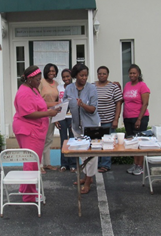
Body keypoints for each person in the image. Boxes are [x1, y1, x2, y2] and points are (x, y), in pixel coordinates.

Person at [12, 65, 59, 202]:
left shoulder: (33, 89)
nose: (40, 82)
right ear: (30, 79)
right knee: (31, 162)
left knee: (32, 161)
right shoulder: (24, 92)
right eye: (38, 79)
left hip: (35, 130)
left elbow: (41, 103)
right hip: (28, 130)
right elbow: (27, 114)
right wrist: (48, 113)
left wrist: (54, 104)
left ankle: (25, 189)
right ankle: (29, 195)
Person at [63, 63, 101, 194]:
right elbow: (64, 105)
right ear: (75, 75)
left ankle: (89, 180)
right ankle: (86, 177)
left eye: (86, 75)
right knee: (83, 154)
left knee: (92, 155)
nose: (84, 78)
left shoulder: (92, 88)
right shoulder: (69, 88)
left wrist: (83, 105)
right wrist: (57, 117)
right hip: (76, 127)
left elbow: (93, 109)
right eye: (81, 75)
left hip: (92, 126)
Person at [123, 64, 150, 175]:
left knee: (139, 142)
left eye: (134, 73)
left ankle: (140, 166)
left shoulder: (142, 86)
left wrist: (139, 119)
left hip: (140, 118)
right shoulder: (127, 85)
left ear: (138, 74)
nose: (132, 75)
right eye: (130, 73)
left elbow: (145, 104)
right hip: (128, 117)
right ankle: (135, 164)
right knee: (132, 142)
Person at [96, 66, 123, 173]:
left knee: (107, 143)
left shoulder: (113, 87)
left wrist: (116, 119)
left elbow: (119, 103)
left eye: (104, 73)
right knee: (96, 143)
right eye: (100, 73)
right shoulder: (92, 86)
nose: (102, 75)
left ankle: (105, 165)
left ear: (108, 75)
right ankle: (96, 164)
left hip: (109, 120)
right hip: (96, 121)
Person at [39, 63, 59, 173]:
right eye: (50, 71)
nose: (52, 73)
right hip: (42, 114)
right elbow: (37, 100)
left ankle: (47, 163)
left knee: (49, 139)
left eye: (54, 71)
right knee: (41, 139)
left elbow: (58, 99)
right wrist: (53, 103)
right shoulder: (41, 82)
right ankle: (40, 164)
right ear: (45, 71)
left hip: (52, 114)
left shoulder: (56, 83)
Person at [56, 69, 77, 173]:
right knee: (63, 140)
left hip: (73, 117)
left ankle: (73, 164)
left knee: (73, 140)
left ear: (71, 76)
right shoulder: (59, 88)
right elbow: (57, 103)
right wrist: (56, 118)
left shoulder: (75, 87)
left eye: (68, 76)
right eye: (64, 77)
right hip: (62, 117)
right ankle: (64, 164)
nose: (66, 79)